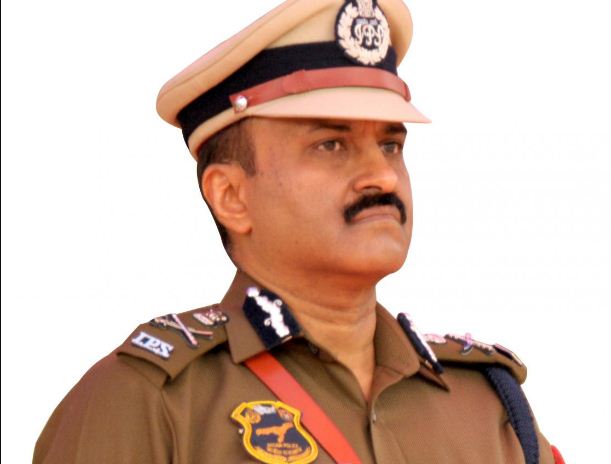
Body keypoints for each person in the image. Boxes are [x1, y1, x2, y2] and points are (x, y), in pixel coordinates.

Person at [33, 0, 565, 463]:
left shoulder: (488, 404)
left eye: (390, 145)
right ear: (231, 196)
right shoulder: (149, 402)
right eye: (330, 145)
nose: (382, 176)